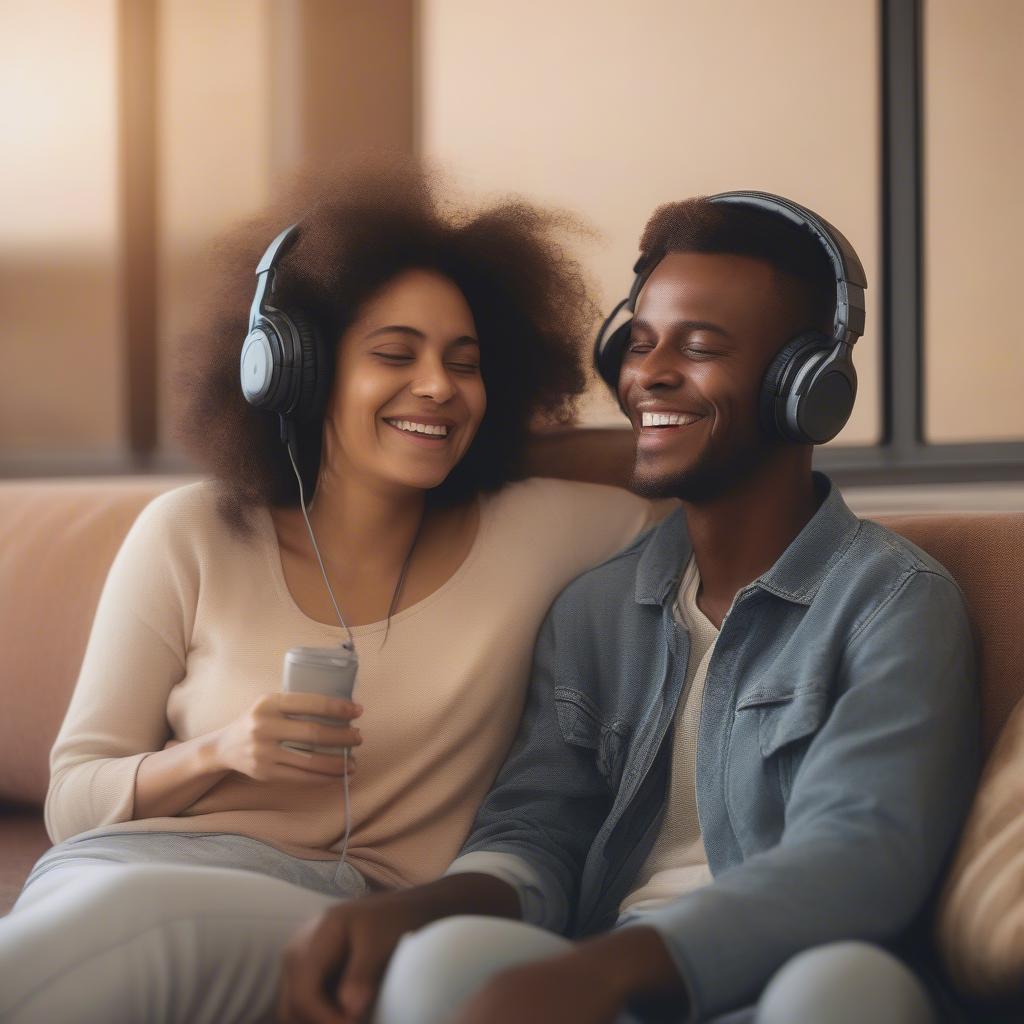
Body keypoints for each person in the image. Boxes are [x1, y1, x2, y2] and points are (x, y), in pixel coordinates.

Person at [277, 192, 980, 1024]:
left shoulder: (891, 604)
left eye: (701, 346)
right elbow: (537, 831)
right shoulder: (596, 610)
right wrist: (426, 907)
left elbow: (857, 862)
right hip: (611, 969)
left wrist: (608, 973)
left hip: (788, 971)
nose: (649, 374)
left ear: (806, 387)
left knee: (837, 995)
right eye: (639, 345)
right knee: (440, 961)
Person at [0, 161, 661, 1023]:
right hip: (128, 873)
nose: (437, 386)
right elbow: (72, 798)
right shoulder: (189, 532)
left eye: (464, 363)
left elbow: (718, 517)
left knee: (125, 933)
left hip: (358, 916)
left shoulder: (550, 531)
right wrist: (220, 751)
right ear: (297, 372)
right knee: (112, 921)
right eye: (395, 354)